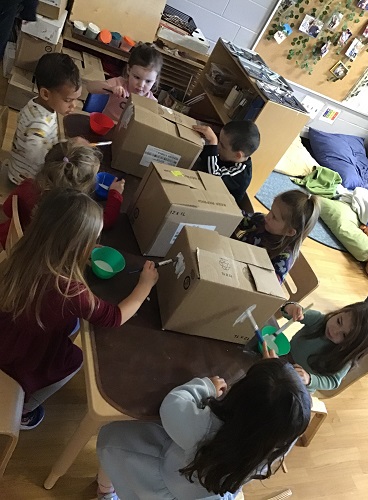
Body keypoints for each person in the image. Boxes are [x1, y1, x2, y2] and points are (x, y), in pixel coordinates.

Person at [0, 189, 158, 430]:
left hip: (9, 331)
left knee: (73, 324)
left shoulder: (22, 251)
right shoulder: (70, 292)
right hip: (19, 360)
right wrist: (145, 285)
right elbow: (114, 317)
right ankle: (24, 408)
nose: (96, 244)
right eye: (92, 240)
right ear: (78, 247)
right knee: (75, 359)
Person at [96, 349, 311, 500]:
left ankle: (105, 491)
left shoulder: (205, 428)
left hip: (163, 481)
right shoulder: (269, 451)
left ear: (240, 395)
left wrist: (206, 386)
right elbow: (284, 419)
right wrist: (280, 379)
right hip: (201, 492)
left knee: (112, 441)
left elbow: (172, 405)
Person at [0, 139, 125, 248]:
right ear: (87, 185)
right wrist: (115, 194)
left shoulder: (27, 186)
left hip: (7, 240)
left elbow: (6, 211)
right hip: (35, 257)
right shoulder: (74, 213)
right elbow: (105, 221)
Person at [6, 53, 82, 185]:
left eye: (76, 99)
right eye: (68, 100)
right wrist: (67, 147)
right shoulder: (39, 124)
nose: (74, 105)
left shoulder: (37, 104)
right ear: (45, 94)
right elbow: (37, 156)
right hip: (24, 178)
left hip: (22, 168)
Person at [282, 301, 368, 392]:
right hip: (283, 358)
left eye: (344, 335)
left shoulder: (345, 357)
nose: (334, 331)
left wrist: (309, 379)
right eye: (339, 321)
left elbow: (333, 381)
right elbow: (290, 311)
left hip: (300, 386)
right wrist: (292, 308)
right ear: (341, 311)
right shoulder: (319, 320)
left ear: (352, 345)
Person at [233, 190, 320, 283]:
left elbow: (271, 284)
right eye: (271, 210)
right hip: (233, 257)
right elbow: (239, 218)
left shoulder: (283, 257)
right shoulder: (262, 220)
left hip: (244, 279)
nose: (268, 216)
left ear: (290, 231)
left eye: (274, 217)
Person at [86, 42, 163, 122]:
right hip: (106, 127)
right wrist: (110, 88)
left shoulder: (152, 103)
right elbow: (90, 87)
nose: (141, 85)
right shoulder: (119, 84)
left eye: (148, 81)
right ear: (129, 70)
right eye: (137, 77)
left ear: (155, 80)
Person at [193, 121, 260, 205]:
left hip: (218, 204)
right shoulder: (229, 156)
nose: (218, 146)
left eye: (222, 145)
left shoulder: (241, 174)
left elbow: (212, 178)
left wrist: (213, 144)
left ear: (238, 155)